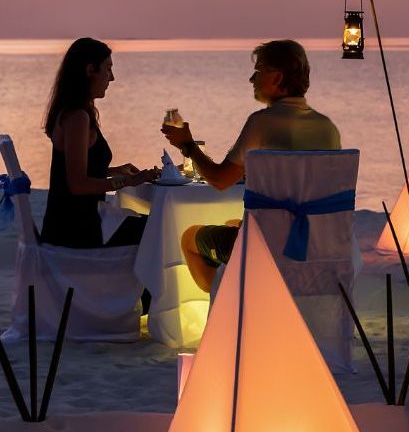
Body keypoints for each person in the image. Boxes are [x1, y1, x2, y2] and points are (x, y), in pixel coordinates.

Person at [161, 38, 340, 292]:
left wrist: (188, 146)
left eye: (258, 71)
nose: (251, 79)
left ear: (277, 78)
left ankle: (236, 304)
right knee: (232, 223)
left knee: (190, 237)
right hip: (318, 241)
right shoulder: (327, 127)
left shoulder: (262, 123)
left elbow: (220, 180)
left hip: (270, 247)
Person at [41, 38, 159, 263]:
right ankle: (140, 297)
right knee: (159, 232)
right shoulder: (77, 118)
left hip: (69, 224)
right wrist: (129, 182)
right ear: (90, 70)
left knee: (152, 228)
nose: (111, 78)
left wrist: (115, 171)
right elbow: (77, 184)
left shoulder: (69, 112)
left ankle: (136, 296)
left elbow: (77, 169)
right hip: (77, 231)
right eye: (108, 69)